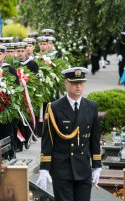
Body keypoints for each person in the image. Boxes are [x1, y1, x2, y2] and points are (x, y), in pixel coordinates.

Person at [37, 67, 102, 201]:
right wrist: (44, 169)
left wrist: (97, 165)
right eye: (74, 83)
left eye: (81, 83)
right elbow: (48, 140)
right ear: (66, 84)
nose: (78, 86)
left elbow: (94, 139)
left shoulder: (91, 106)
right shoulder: (54, 107)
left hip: (83, 168)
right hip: (62, 169)